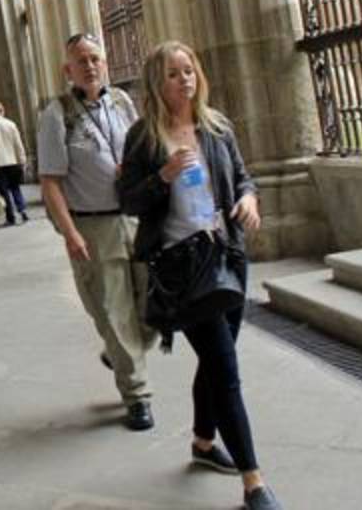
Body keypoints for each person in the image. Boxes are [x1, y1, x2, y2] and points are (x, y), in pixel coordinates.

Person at [117, 41, 281, 510]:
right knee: (225, 371)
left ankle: (204, 443)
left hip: (228, 255)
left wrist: (249, 200)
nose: (184, 79)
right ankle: (254, 483)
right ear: (156, 82)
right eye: (173, 73)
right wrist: (163, 176)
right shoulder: (144, 138)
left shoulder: (216, 126)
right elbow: (128, 201)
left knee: (216, 360)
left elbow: (244, 178)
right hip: (182, 267)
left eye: (189, 70)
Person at [37, 32, 154, 431]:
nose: (90, 66)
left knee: (156, 307)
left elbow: (145, 149)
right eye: (81, 60)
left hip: (137, 218)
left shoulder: (122, 102)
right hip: (93, 224)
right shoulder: (57, 114)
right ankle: (137, 394)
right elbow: (50, 181)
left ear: (105, 63)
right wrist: (70, 233)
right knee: (116, 312)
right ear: (67, 70)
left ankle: (120, 352)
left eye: (95, 58)